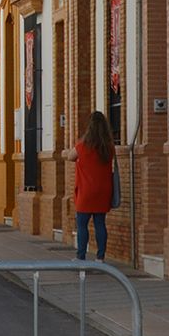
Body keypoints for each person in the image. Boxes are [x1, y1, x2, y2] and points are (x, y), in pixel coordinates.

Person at [64, 111, 115, 261]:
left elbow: (70, 156)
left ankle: (81, 257)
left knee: (82, 224)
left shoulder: (83, 146)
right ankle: (100, 257)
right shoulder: (108, 147)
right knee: (100, 223)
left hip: (86, 192)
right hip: (103, 191)